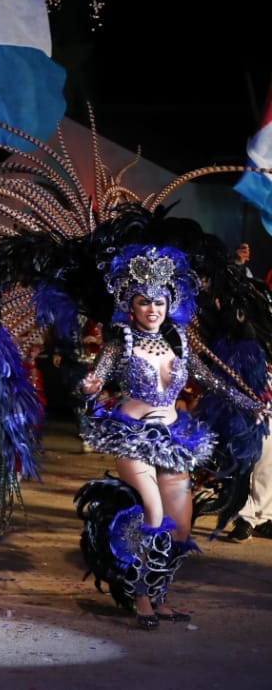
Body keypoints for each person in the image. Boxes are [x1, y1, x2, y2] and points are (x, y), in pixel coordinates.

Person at [77, 244, 267, 628]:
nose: (152, 309)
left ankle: (160, 596)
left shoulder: (178, 342)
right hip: (133, 437)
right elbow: (95, 381)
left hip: (174, 439)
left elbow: (211, 380)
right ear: (131, 305)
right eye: (144, 302)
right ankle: (140, 598)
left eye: (159, 302)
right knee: (154, 513)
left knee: (180, 527)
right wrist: (89, 387)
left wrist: (250, 405)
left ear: (170, 303)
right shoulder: (120, 343)